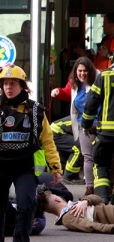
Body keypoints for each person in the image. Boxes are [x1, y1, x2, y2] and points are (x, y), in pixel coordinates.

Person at [0, 65, 62, 242]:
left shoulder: (36, 110)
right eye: (5, 84)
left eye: (13, 83)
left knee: (27, 205)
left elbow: (47, 140)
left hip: (23, 165)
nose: (8, 87)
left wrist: (55, 166)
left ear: (22, 85)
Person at [51, 57, 99, 195]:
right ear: (75, 71)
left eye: (85, 71)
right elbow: (67, 93)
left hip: (100, 123)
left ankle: (104, 188)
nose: (82, 74)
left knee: (100, 157)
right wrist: (58, 92)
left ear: (90, 71)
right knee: (88, 157)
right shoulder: (74, 82)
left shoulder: (99, 80)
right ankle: (89, 189)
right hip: (83, 124)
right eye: (80, 71)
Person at [81, 56, 114, 204]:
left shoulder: (104, 76)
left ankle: (102, 201)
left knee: (101, 166)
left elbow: (91, 103)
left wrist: (86, 124)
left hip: (106, 135)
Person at [36, 187, 114, 234]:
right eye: (56, 195)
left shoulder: (75, 204)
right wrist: (111, 228)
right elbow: (90, 226)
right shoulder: (67, 218)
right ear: (57, 200)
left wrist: (86, 201)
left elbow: (98, 199)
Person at [49, 116, 84, 184]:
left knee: (73, 147)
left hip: (57, 130)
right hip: (57, 131)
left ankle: (72, 175)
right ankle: (69, 176)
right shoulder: (85, 118)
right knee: (78, 148)